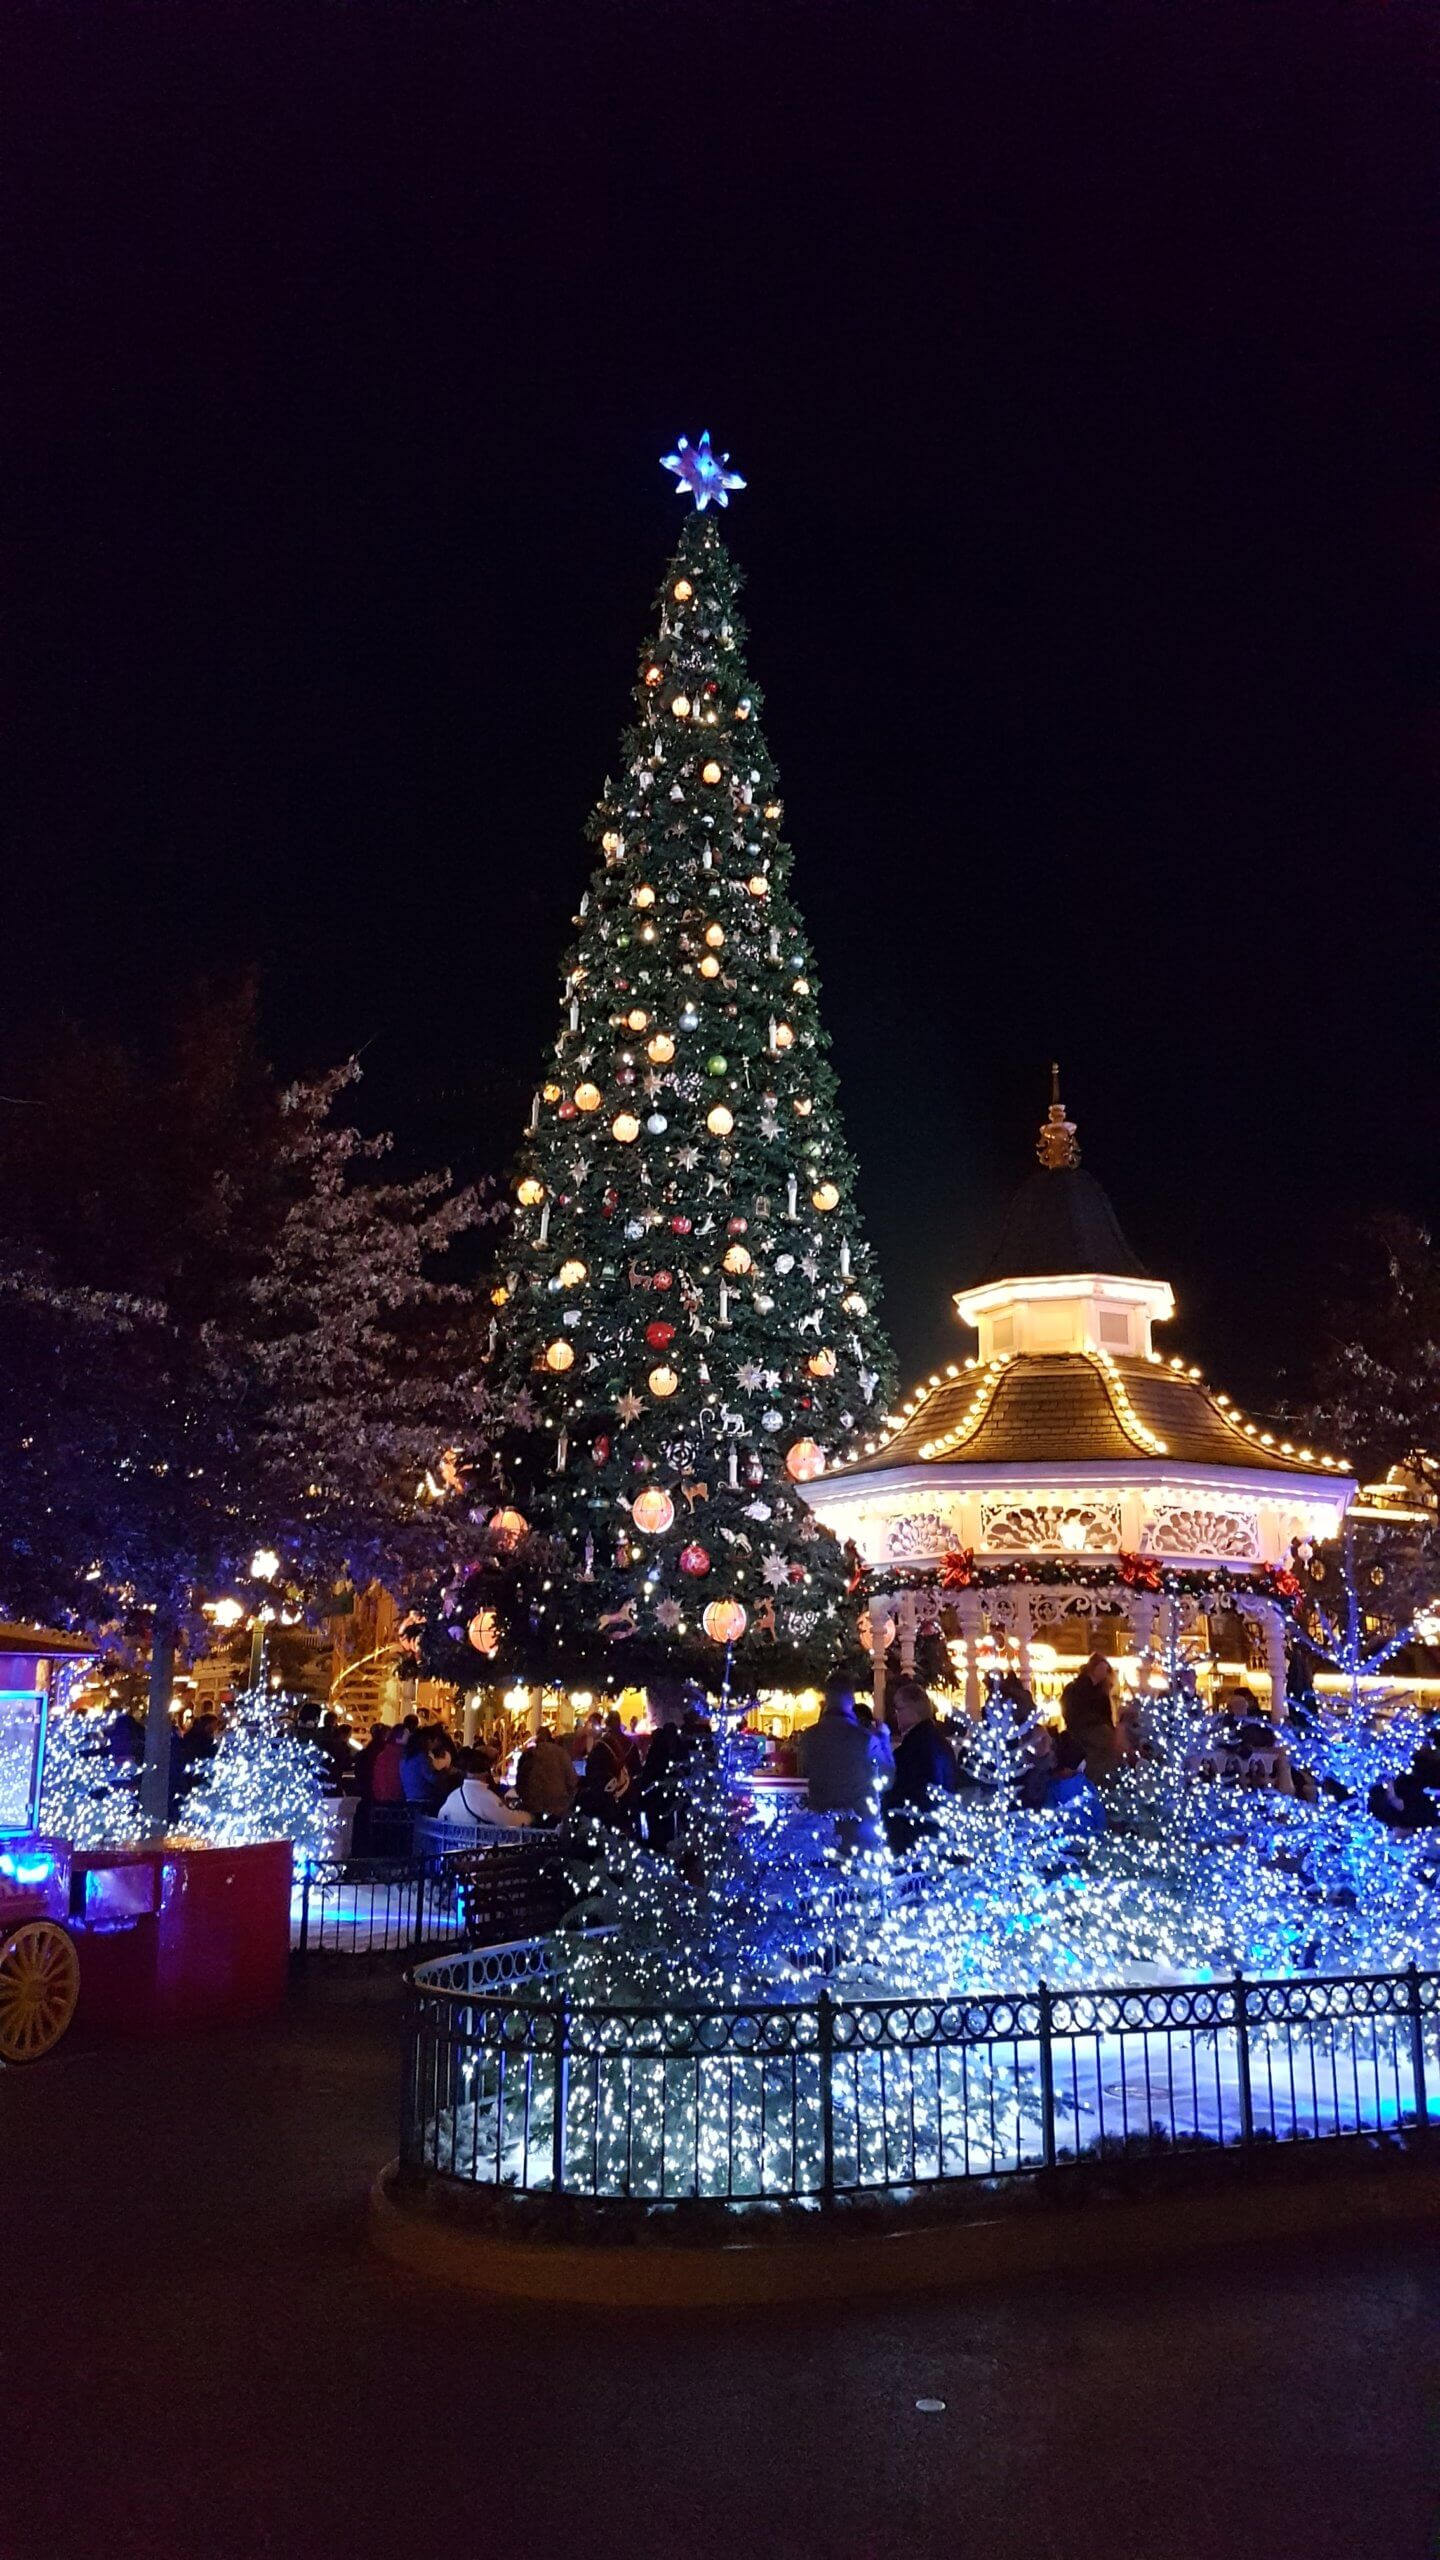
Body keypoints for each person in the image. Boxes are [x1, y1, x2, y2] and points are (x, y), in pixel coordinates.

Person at [793, 1676, 879, 1818]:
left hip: (819, 1817)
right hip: (857, 1817)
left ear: (827, 1697)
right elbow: (881, 1776)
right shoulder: (864, 1737)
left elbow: (803, 1774)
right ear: (850, 1698)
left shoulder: (809, 1736)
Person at [885, 1680, 957, 1846]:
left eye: (899, 1709)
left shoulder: (912, 1748)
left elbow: (902, 1791)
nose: (896, 1715)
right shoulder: (941, 1742)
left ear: (913, 1709)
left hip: (915, 1831)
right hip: (939, 1830)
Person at [1061, 1653, 1125, 1782]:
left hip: (1094, 1729)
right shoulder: (1078, 1689)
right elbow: (1073, 1713)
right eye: (1101, 1669)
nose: (1104, 1673)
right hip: (1084, 1729)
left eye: (1105, 1670)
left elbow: (1106, 1716)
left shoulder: (1101, 1691)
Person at [436, 1748, 534, 1831]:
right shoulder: (484, 1797)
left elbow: (441, 1815)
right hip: (478, 1845)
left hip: (455, 1843)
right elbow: (509, 1820)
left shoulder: (454, 1795)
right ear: (486, 1772)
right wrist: (530, 1816)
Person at [1037, 1728, 1106, 1835]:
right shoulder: (1087, 1785)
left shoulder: (1052, 1788)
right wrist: (1101, 1833)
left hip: (1063, 1839)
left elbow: (1048, 1817)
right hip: (1090, 1837)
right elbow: (1099, 1814)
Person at [517, 1722, 579, 1824]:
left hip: (533, 1805)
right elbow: (572, 1781)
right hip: (559, 1806)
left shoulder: (529, 1754)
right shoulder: (561, 1754)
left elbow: (520, 1779)